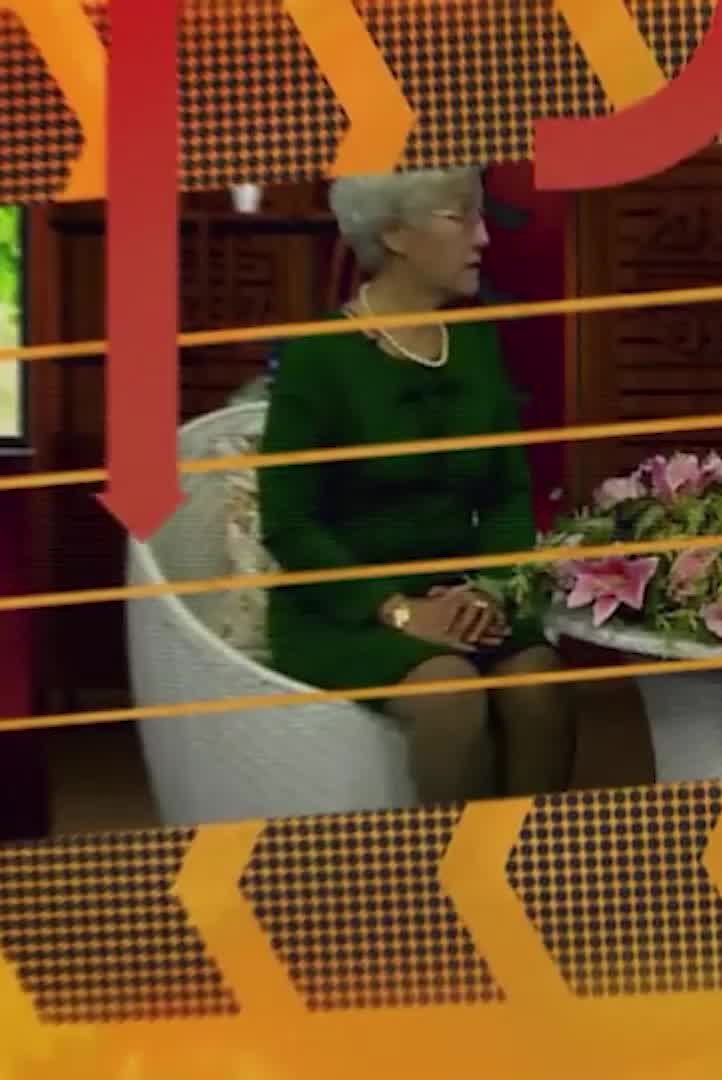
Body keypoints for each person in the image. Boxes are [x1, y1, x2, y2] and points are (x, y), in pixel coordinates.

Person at [257, 167, 575, 804]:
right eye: (460, 219)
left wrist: (489, 588)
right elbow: (289, 524)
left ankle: (534, 853)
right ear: (395, 233)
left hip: (460, 596)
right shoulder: (319, 356)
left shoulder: (475, 341)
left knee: (539, 682)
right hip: (345, 611)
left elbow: (507, 494)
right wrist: (397, 610)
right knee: (449, 694)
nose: (483, 238)